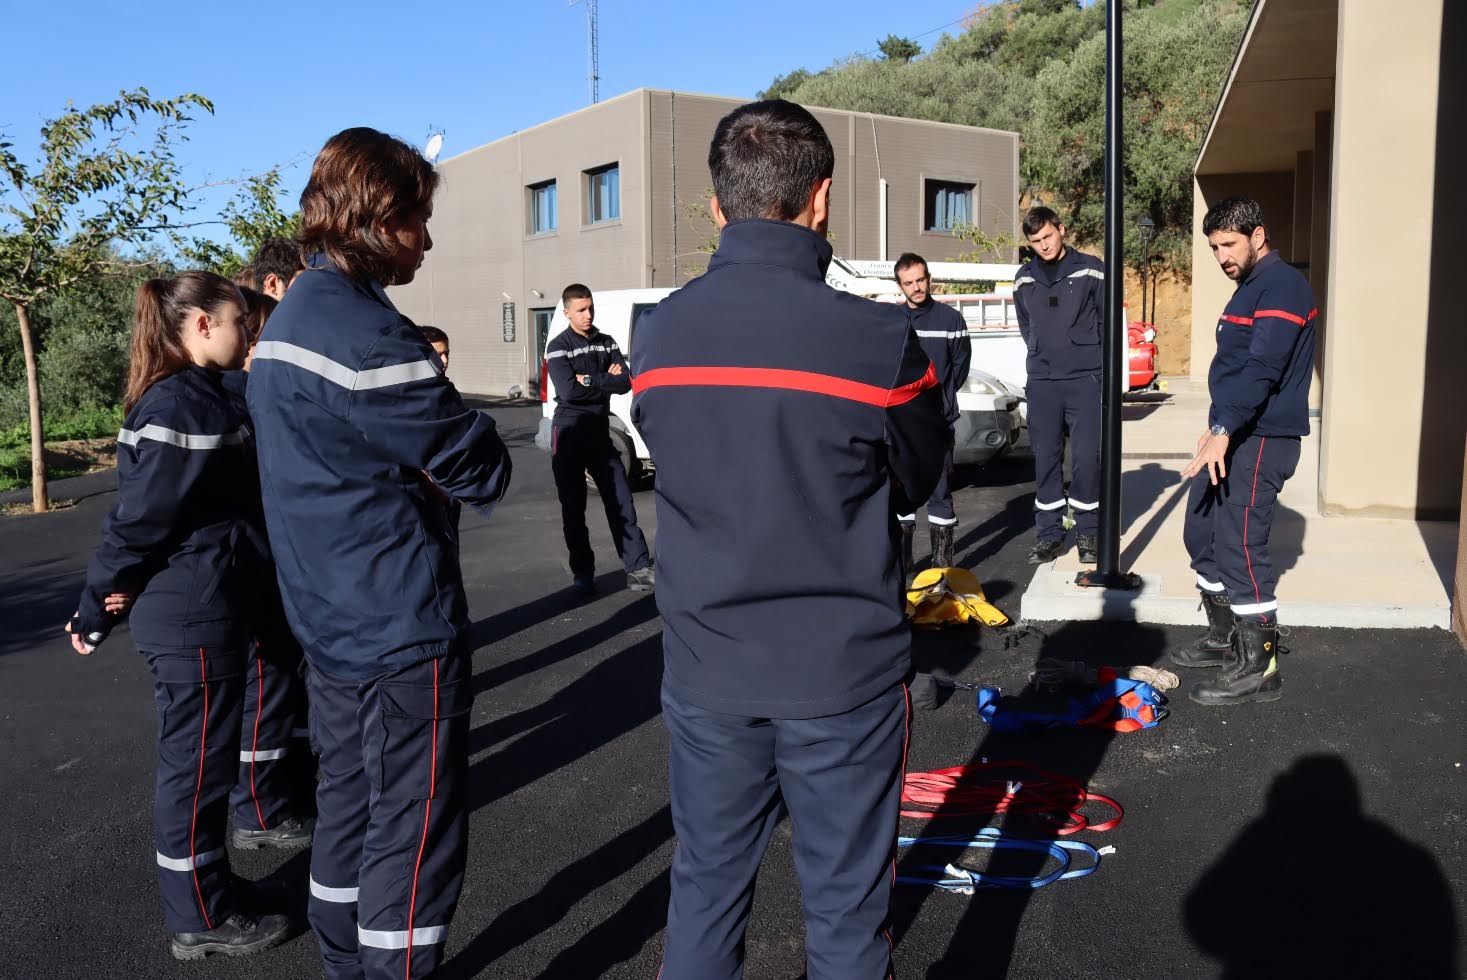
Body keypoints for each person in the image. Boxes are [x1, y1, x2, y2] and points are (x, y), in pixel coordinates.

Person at [631, 99, 949, 980]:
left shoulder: (655, 337)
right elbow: (920, 475)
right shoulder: (880, 340)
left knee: (703, 892)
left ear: (714, 206)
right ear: (821, 200)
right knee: (846, 917)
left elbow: (681, 459)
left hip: (708, 667)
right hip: (841, 672)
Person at [246, 127, 512, 980]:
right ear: (375, 219)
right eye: (419, 221)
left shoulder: (289, 321)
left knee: (349, 808)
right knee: (415, 828)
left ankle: (340, 960)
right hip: (399, 625)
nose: (427, 241)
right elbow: (482, 466)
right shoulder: (370, 338)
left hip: (326, 623)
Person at [66, 271, 292, 960]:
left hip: (208, 602)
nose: (245, 335)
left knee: (205, 762)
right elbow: (138, 521)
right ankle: (196, 915)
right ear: (198, 326)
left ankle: (210, 888)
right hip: (189, 613)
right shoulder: (178, 409)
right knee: (194, 770)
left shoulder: (199, 398)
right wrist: (94, 604)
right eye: (235, 323)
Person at [1172, 196, 1316, 707]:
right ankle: (1224, 636)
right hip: (1233, 432)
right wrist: (1216, 427)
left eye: (1229, 244)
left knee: (1240, 546)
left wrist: (1225, 428)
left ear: (1258, 235)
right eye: (1214, 247)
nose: (1222, 256)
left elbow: (1263, 368)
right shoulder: (1249, 289)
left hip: (1262, 437)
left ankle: (1261, 666)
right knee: (1202, 531)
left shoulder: (1282, 286)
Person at [545, 283, 654, 594]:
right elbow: (568, 391)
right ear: (567, 312)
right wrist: (605, 381)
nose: (588, 314)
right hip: (568, 432)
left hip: (598, 429)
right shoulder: (558, 347)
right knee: (573, 505)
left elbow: (624, 382)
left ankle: (638, 567)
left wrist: (591, 379)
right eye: (580, 310)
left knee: (620, 499)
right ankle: (583, 572)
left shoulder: (606, 343)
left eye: (590, 308)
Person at [1013, 206, 1106, 565]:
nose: (1044, 245)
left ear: (1062, 229)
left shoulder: (1091, 269)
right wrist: (1041, 352)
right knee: (1046, 460)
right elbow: (1026, 326)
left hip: (1085, 378)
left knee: (1085, 459)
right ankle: (1049, 534)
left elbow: (1106, 321)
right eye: (1036, 241)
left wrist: (1094, 365)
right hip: (1043, 381)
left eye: (1048, 236)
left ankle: (1088, 533)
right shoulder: (1023, 279)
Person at [893, 252, 971, 576]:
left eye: (920, 279)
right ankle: (901, 569)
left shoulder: (951, 321)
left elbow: (960, 367)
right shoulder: (893, 321)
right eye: (909, 283)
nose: (916, 287)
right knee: (900, 498)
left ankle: (942, 572)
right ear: (900, 286)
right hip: (902, 426)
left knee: (940, 495)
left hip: (938, 424)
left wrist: (944, 399)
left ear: (929, 277)